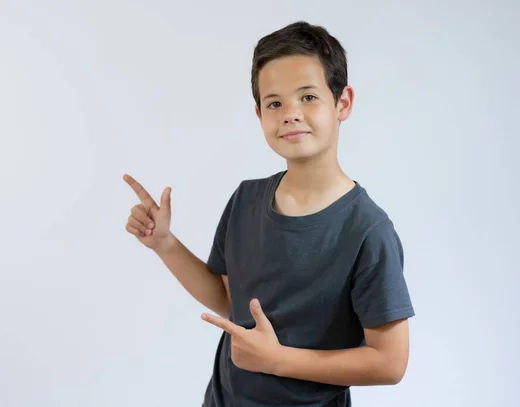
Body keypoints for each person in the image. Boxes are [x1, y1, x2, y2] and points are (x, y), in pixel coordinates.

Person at [123, 20, 415, 407]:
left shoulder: (367, 231)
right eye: (275, 103)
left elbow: (390, 363)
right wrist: (164, 244)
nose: (290, 114)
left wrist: (279, 361)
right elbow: (229, 299)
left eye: (308, 97)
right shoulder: (246, 199)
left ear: (342, 103)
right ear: (259, 114)